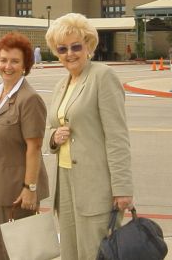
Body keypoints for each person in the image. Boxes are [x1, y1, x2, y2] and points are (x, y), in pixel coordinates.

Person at [45, 13, 133, 260]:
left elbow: (117, 136)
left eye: (76, 46)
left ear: (88, 46)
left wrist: (122, 188)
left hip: (95, 186)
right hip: (65, 181)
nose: (69, 54)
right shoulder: (62, 84)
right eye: (62, 49)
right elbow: (50, 130)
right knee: (71, 254)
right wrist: (53, 138)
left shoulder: (102, 76)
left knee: (95, 253)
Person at [0, 32, 49, 260]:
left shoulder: (29, 99)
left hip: (17, 193)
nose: (8, 66)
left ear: (25, 65)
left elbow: (34, 148)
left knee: (19, 254)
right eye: (4, 60)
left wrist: (30, 188)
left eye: (15, 61)